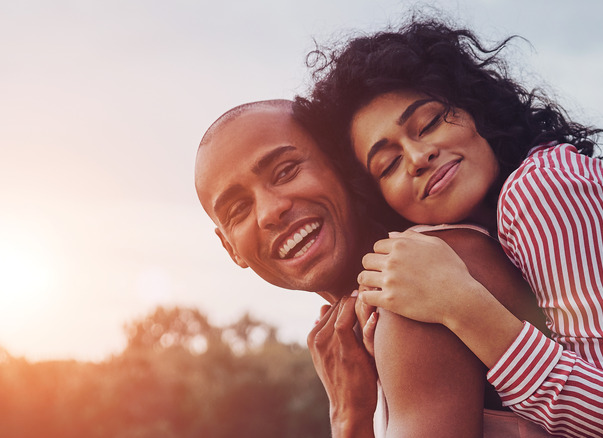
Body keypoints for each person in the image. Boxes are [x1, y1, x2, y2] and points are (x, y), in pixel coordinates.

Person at [296, 18, 603, 437]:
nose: (419, 156)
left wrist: (461, 304)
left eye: (429, 123)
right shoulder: (494, 235)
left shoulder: (542, 188)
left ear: (473, 110)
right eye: (388, 164)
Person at [193, 99, 552, 437]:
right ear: (230, 248)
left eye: (286, 171)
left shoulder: (415, 288)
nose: (270, 212)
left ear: (344, 164)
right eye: (238, 210)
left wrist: (348, 421)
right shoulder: (372, 315)